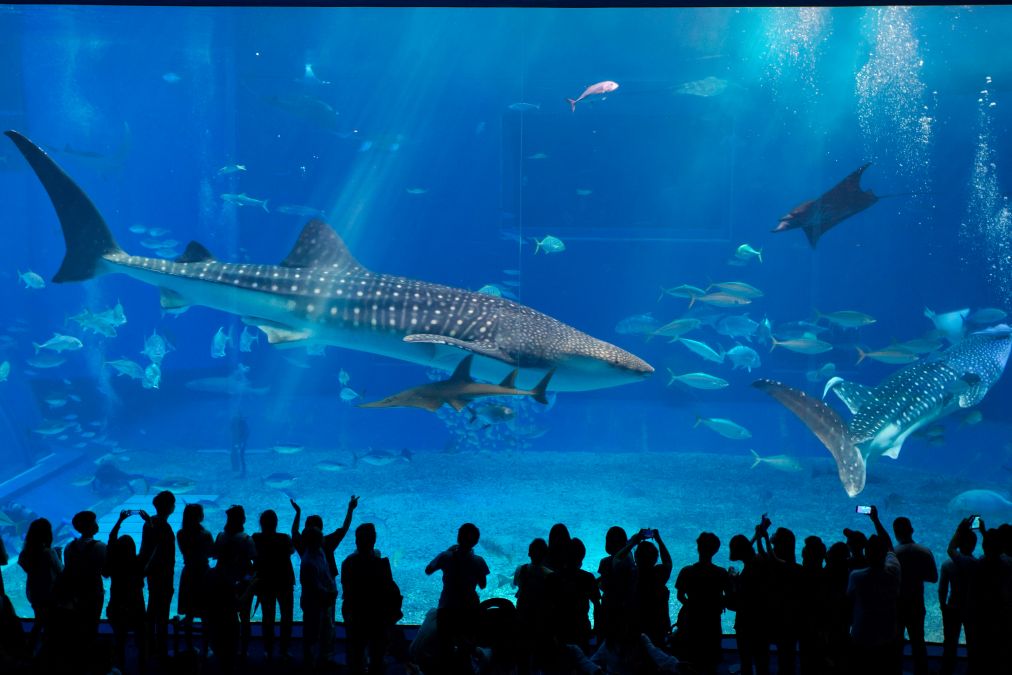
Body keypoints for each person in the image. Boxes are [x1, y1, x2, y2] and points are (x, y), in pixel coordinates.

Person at [425, 522, 490, 668]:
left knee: (444, 648)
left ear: (458, 537)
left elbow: (428, 570)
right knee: (465, 650)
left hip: (447, 608)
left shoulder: (445, 556)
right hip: (469, 610)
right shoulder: (479, 561)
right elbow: (483, 585)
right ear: (475, 542)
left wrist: (447, 552)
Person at [341, 523, 402, 675]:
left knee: (356, 656)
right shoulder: (382, 564)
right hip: (377, 617)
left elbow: (347, 591)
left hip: (356, 616)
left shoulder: (348, 563)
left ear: (356, 541)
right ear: (374, 541)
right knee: (377, 657)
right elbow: (390, 590)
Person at [846, 506, 900, 675]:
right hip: (887, 632)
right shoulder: (894, 570)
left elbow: (848, 600)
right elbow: (889, 546)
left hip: (862, 633)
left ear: (866, 554)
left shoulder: (856, 576)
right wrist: (875, 520)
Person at [291, 494, 359, 627]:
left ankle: (309, 646)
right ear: (321, 529)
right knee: (328, 621)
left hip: (309, 589)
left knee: (310, 621)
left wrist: (298, 512)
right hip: (327, 589)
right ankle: (327, 646)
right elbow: (344, 528)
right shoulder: (327, 543)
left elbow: (294, 531)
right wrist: (350, 509)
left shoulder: (302, 545)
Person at [674, 531, 728, 674]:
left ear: (698, 547)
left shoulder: (687, 571)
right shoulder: (721, 573)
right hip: (712, 624)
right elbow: (727, 598)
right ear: (715, 550)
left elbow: (680, 596)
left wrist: (691, 605)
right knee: (710, 662)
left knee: (690, 661)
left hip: (691, 622)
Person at [726, 514, 772, 675]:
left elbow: (741, 599)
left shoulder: (751, 569)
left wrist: (733, 582)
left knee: (747, 661)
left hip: (748, 622)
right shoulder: (757, 561)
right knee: (762, 661)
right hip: (762, 621)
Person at [891, 516, 937, 675]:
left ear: (895, 534)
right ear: (912, 530)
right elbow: (933, 577)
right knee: (918, 642)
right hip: (916, 604)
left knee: (896, 642)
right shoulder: (924, 551)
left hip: (897, 605)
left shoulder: (893, 554)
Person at [104, 510, 147, 672]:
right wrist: (148, 523)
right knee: (141, 640)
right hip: (136, 606)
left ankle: (120, 667)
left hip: (117, 606)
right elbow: (147, 544)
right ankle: (143, 667)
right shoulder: (137, 563)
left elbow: (111, 541)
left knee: (119, 640)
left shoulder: (112, 564)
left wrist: (119, 521)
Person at [59, 511, 107, 654]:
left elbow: (68, 571)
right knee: (92, 625)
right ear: (90, 526)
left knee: (78, 625)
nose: (96, 524)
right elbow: (106, 572)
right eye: (94, 522)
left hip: (75, 593)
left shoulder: (69, 547)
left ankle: (78, 654)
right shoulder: (99, 547)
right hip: (94, 592)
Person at [213, 504, 257, 660]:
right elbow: (254, 562)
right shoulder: (246, 539)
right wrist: (247, 581)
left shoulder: (220, 536)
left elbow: (215, 556)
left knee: (224, 617)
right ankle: (243, 651)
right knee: (245, 619)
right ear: (243, 519)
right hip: (241, 584)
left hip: (222, 584)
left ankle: (224, 647)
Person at [252, 509, 295, 661]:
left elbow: (253, 556)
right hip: (284, 582)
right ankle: (284, 649)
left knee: (268, 617)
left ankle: (268, 649)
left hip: (266, 583)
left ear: (261, 523)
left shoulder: (256, 538)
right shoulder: (284, 538)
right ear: (276, 523)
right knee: (286, 616)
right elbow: (291, 550)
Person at [138, 490, 176, 659]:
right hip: (163, 573)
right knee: (162, 610)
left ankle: (149, 644)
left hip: (152, 573)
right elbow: (158, 548)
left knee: (153, 606)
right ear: (170, 507)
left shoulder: (149, 523)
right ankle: (160, 646)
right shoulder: (163, 526)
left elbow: (145, 548)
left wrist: (143, 567)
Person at [17, 518, 62, 655]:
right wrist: (59, 556)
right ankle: (45, 653)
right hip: (49, 593)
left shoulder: (25, 553)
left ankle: (30, 650)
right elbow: (60, 571)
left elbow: (27, 567)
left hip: (33, 592)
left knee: (39, 621)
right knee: (50, 624)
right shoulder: (49, 552)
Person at [939, 522, 976, 675]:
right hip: (972, 609)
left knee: (950, 642)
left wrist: (942, 605)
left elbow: (942, 588)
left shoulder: (948, 564)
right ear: (974, 545)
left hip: (952, 607)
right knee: (973, 642)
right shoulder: (978, 563)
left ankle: (947, 670)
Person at [176, 503, 214, 653]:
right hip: (203, 573)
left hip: (189, 573)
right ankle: (206, 647)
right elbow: (211, 553)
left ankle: (189, 646)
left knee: (189, 613)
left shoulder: (180, 533)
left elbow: (185, 551)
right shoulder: (205, 534)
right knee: (206, 613)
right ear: (199, 516)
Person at [551, 537, 599, 654]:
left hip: (559, 630)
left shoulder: (552, 578)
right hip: (582, 628)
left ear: (564, 557)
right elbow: (597, 606)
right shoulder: (588, 578)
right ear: (582, 559)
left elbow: (547, 607)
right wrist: (596, 629)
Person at [299, 525, 337, 669]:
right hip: (313, 602)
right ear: (315, 541)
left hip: (325, 599)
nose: (323, 540)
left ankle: (325, 659)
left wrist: (331, 588)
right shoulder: (308, 561)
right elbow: (313, 585)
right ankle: (310, 663)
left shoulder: (319, 552)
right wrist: (328, 593)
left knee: (326, 630)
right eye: (320, 538)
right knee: (311, 634)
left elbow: (325, 572)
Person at [513, 537, 554, 669]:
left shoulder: (520, 569)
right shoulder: (550, 575)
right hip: (541, 620)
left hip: (522, 617)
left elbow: (516, 584)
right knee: (540, 654)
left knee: (523, 654)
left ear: (529, 553)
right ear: (546, 555)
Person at [767, 527, 802, 675]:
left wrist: (763, 536)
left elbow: (771, 558)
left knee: (785, 656)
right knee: (788, 656)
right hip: (791, 618)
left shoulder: (780, 567)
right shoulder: (797, 568)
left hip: (783, 618)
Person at [596, 526, 634, 646]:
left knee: (607, 641)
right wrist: (634, 540)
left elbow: (604, 586)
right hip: (626, 605)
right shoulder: (630, 559)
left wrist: (597, 583)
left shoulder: (605, 562)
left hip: (609, 605)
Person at [230, 413, 249, 477]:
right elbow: (233, 431)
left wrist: (242, 443)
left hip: (240, 442)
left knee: (241, 456)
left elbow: (246, 433)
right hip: (237, 441)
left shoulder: (243, 423)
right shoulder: (236, 423)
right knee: (235, 455)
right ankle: (236, 469)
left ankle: (242, 472)